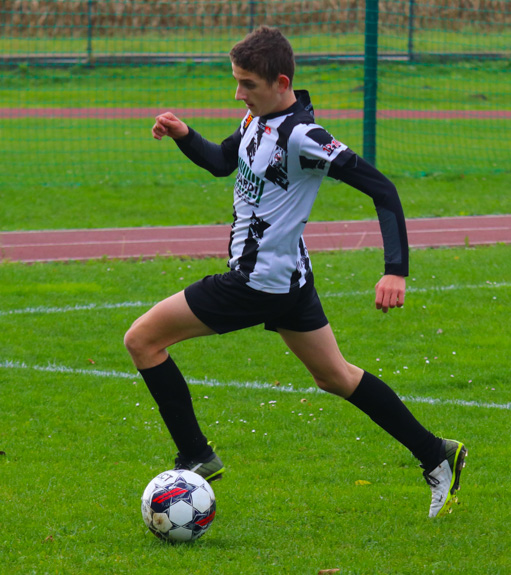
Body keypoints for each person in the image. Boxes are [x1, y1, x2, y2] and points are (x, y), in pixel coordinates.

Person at [124, 26, 466, 519]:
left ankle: (195, 453)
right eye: (237, 82)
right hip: (289, 280)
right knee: (336, 376)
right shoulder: (255, 119)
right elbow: (222, 162)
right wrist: (184, 135)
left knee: (142, 341)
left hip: (254, 283)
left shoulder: (305, 137)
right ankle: (437, 453)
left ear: (281, 81)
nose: (238, 93)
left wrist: (396, 271)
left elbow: (383, 189)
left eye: (248, 84)